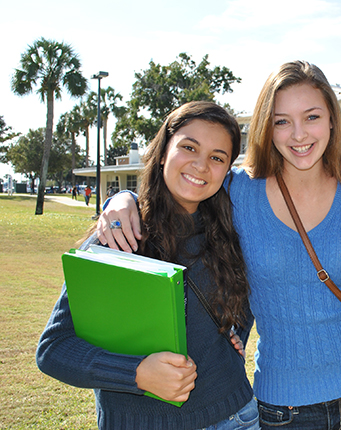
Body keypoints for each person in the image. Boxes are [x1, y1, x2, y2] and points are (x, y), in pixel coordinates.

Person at [96, 61, 341, 430]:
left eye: (312, 117)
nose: (299, 134)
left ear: (330, 122)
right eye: (282, 121)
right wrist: (122, 200)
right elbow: (178, 197)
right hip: (283, 409)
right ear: (267, 128)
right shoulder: (237, 192)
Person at [36, 101, 258, 430]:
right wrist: (137, 373)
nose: (200, 165)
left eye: (217, 157)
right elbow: (54, 349)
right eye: (189, 147)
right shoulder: (120, 236)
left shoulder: (231, 230)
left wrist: (234, 331)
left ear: (227, 171)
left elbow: (245, 298)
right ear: (164, 150)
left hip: (235, 416)